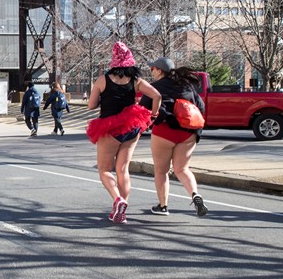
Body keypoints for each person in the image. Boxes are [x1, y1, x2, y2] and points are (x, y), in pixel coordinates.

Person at [85, 42, 162, 225]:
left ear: (114, 60)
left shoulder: (103, 80)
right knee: (123, 169)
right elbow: (157, 96)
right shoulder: (136, 81)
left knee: (104, 169)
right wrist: (154, 114)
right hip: (131, 125)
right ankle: (122, 211)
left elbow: (91, 105)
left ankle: (117, 199)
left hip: (109, 128)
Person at [140, 57, 209, 217]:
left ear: (159, 71)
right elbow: (201, 107)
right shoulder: (187, 86)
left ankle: (163, 206)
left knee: (161, 171)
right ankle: (195, 195)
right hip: (188, 132)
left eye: (153, 69)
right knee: (182, 169)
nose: (152, 72)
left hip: (164, 131)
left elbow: (143, 109)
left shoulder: (154, 87)